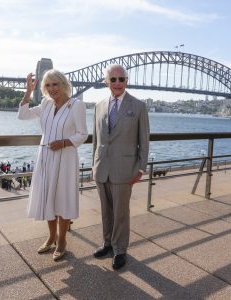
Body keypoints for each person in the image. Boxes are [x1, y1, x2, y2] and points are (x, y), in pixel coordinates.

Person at [18, 69, 88, 262]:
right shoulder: (45, 104)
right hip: (46, 156)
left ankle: (62, 240)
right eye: (47, 85)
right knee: (48, 196)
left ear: (63, 84)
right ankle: (51, 237)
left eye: (55, 84)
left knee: (62, 198)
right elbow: (23, 115)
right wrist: (28, 92)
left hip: (65, 157)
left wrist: (64, 142)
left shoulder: (77, 105)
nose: (52, 89)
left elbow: (83, 134)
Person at [92, 64, 150, 270]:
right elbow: (96, 139)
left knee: (121, 213)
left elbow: (144, 141)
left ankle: (120, 249)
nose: (117, 83)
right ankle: (107, 243)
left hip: (125, 169)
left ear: (127, 81)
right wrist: (93, 164)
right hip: (102, 168)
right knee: (106, 211)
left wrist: (141, 168)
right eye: (113, 79)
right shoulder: (98, 105)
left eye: (121, 79)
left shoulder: (139, 106)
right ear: (106, 81)